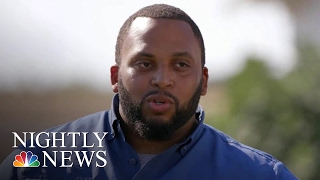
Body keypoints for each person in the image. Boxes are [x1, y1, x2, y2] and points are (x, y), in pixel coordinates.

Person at [0, 4, 297, 180]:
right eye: (145, 63)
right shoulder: (39, 158)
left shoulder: (257, 174)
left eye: (180, 64)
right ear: (116, 77)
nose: (162, 79)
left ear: (204, 81)